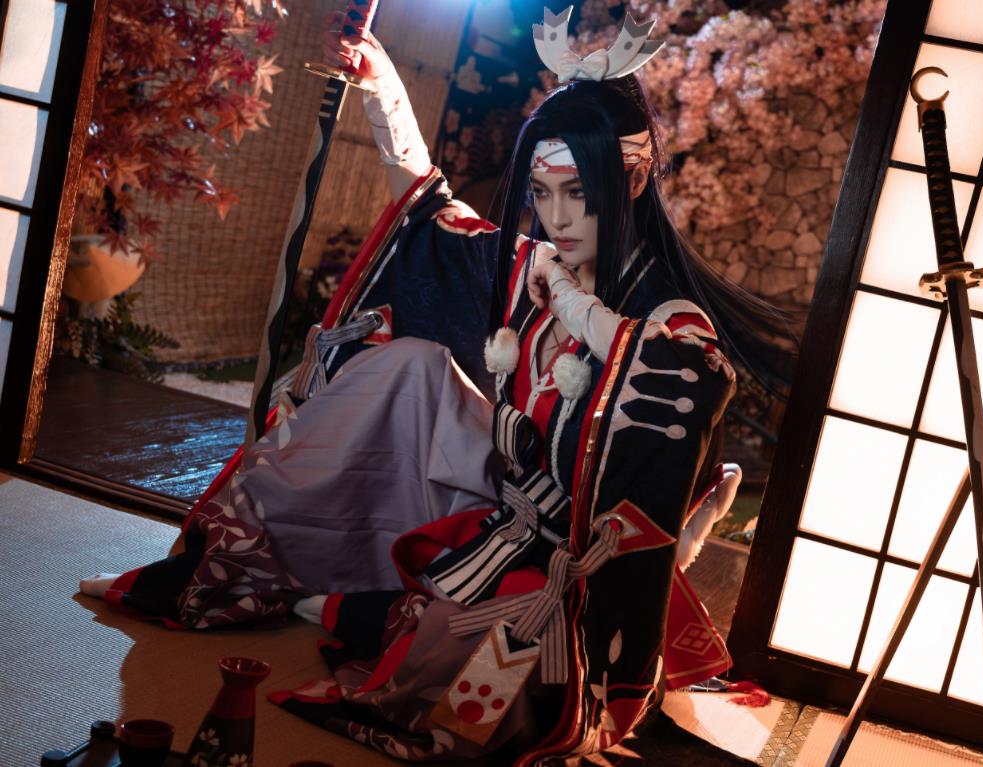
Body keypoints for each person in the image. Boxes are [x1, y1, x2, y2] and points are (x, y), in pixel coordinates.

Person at [82, 6, 790, 763]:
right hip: (500, 508)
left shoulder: (670, 320)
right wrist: (382, 86)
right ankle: (263, 574)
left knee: (459, 689)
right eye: (542, 192)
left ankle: (369, 611)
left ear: (633, 179)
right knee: (407, 368)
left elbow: (676, 389)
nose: (557, 218)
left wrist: (575, 306)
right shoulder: (534, 264)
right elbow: (432, 209)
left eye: (579, 193)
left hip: (589, 571)